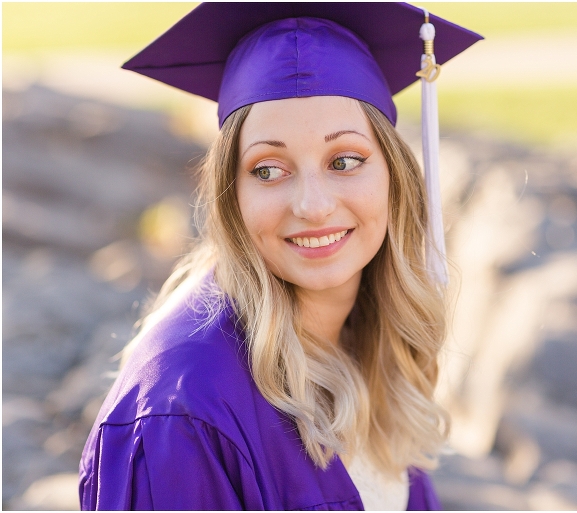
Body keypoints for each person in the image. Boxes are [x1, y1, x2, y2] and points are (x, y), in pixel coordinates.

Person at [79, 3, 481, 510]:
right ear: (231, 193)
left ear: (394, 177)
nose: (313, 206)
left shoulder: (365, 337)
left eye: (345, 161)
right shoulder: (182, 415)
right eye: (269, 170)